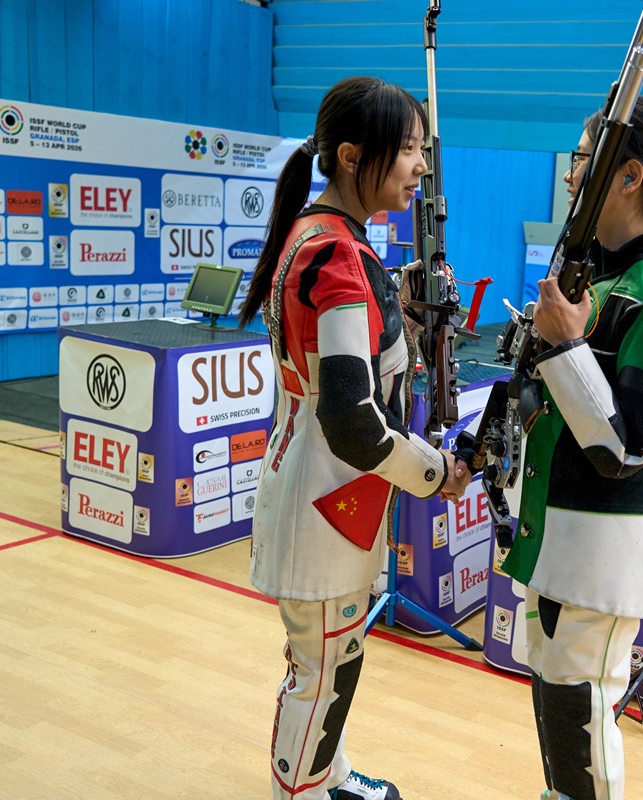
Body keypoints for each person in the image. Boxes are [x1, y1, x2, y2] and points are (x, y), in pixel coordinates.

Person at [238, 76, 470, 800]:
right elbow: (353, 420)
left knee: (331, 658)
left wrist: (400, 309)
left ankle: (326, 776)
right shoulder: (338, 257)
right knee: (322, 669)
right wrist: (434, 472)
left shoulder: (325, 239)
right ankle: (302, 792)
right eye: (408, 150)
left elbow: (350, 360)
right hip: (326, 497)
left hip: (325, 492)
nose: (420, 167)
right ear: (349, 156)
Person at [500, 98, 643, 800]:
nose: (570, 176)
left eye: (582, 159)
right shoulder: (600, 278)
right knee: (562, 720)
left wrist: (565, 344)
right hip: (556, 535)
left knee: (582, 720)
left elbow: (626, 448)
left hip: (601, 547)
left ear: (627, 176)